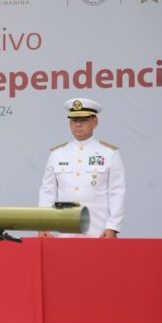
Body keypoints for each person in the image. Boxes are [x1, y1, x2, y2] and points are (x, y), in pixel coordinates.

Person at [38, 98, 126, 238]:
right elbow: (48, 192)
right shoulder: (57, 154)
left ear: (95, 122)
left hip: (98, 231)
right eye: (74, 120)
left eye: (83, 120)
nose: (78, 125)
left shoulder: (109, 153)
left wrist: (113, 226)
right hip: (64, 232)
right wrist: (43, 224)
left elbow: (116, 192)